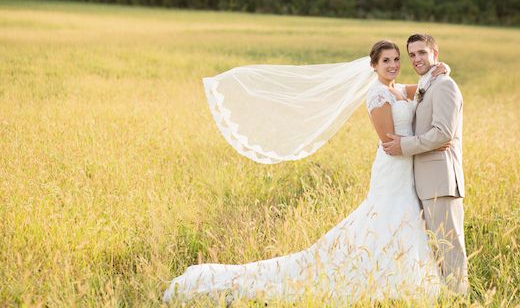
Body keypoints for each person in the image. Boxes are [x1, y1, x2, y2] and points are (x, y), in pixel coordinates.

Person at [163, 40, 451, 304]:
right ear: (373, 66)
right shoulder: (377, 95)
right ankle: (378, 274)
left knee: (404, 218)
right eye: (386, 61)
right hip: (393, 167)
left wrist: (441, 70)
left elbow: (426, 89)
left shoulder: (398, 90)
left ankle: (402, 275)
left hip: (407, 168)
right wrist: (430, 144)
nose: (393, 65)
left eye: (396, 60)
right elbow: (391, 143)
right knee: (389, 216)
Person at [382, 34, 468, 295]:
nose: (417, 59)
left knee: (450, 247)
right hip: (425, 180)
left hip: (441, 180)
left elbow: (443, 133)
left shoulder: (444, 85)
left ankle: (459, 299)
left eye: (422, 53)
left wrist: (404, 145)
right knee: (436, 249)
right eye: (412, 55)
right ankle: (445, 296)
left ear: (435, 55)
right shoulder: (428, 83)